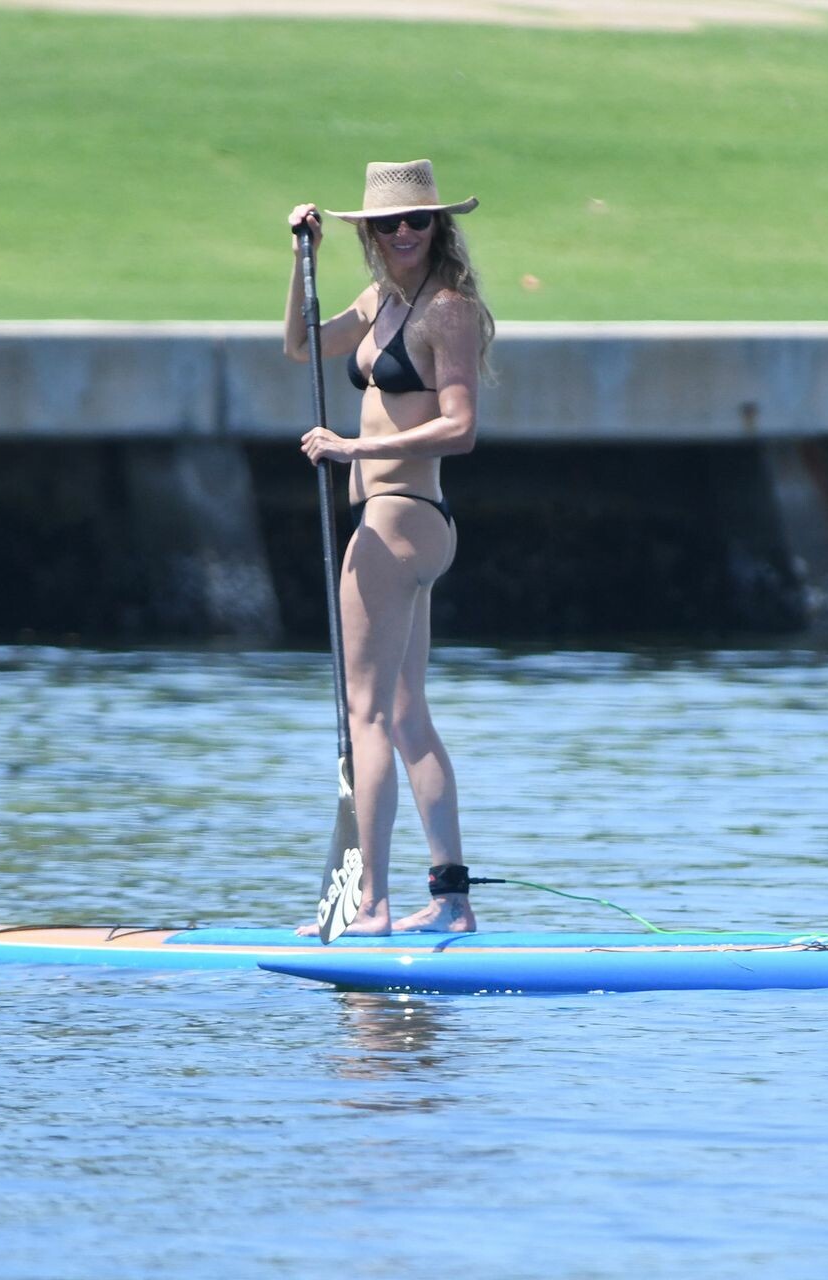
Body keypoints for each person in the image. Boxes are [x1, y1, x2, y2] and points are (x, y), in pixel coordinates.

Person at [283, 159, 494, 936]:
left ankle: (369, 904)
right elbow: (302, 345)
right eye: (388, 223)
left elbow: (461, 428)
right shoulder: (379, 302)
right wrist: (301, 260)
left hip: (401, 517)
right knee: (405, 716)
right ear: (370, 232)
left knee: (365, 714)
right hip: (400, 521)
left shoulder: (449, 311)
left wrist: (353, 449)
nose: (404, 232)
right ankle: (451, 901)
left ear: (439, 226)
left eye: (418, 220)